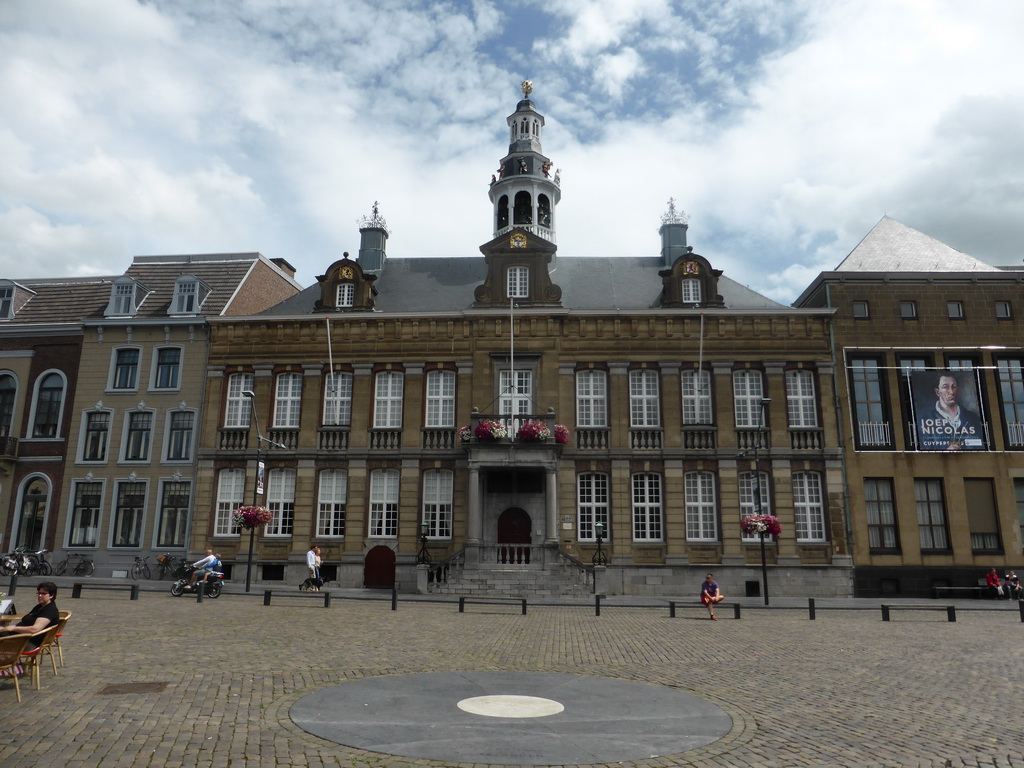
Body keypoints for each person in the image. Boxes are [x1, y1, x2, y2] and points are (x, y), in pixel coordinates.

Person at [917, 371, 984, 450]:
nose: (951, 392)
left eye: (954, 386)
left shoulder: (973, 418)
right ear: (938, 392)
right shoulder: (925, 420)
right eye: (945, 387)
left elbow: (978, 445)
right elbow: (926, 449)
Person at [0, 582, 59, 650]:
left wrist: (14, 628)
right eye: (39, 593)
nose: (40, 596)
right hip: (18, 637)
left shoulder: (49, 610)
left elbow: (35, 629)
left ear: (51, 595)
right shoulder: (40, 606)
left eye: (43, 593)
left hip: (26, 641)